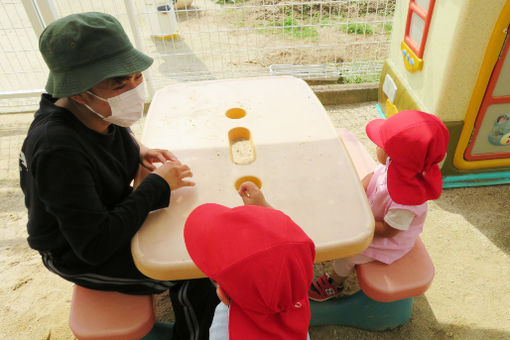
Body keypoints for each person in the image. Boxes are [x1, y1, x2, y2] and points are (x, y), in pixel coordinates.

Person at [19, 12, 218, 339]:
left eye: (138, 76)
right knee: (195, 270)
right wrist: (156, 186)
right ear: (80, 92)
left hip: (104, 217)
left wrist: (138, 149)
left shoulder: (89, 110)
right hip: (77, 254)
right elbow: (94, 246)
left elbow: (113, 129)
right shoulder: (58, 151)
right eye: (120, 83)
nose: (135, 90)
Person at [309, 110, 449, 301]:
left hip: (384, 241)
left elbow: (389, 231)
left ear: (399, 159)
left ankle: (335, 282)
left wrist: (359, 222)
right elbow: (373, 175)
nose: (377, 147)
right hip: (370, 216)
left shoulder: (406, 203)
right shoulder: (398, 166)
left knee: (348, 254)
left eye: (381, 145)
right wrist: (357, 191)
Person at [184, 182, 316, 340]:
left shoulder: (222, 331)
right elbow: (288, 248)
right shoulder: (293, 291)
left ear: (222, 294)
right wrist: (262, 209)